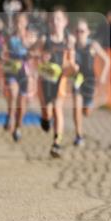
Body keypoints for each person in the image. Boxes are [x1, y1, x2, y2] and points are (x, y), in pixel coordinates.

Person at [34, 8, 74, 158]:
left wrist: (73, 68)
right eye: (53, 20)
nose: (55, 22)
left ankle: (57, 143)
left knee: (58, 109)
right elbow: (32, 53)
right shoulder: (45, 39)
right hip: (45, 79)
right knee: (48, 111)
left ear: (65, 22)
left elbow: (72, 62)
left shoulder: (69, 41)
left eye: (58, 19)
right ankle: (45, 119)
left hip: (60, 79)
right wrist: (40, 58)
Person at [71, 18, 110, 146]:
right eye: (77, 31)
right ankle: (79, 135)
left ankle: (89, 105)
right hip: (77, 79)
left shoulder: (92, 45)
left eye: (82, 31)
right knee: (76, 107)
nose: (79, 34)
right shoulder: (72, 46)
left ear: (88, 32)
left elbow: (107, 60)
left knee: (86, 112)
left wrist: (103, 76)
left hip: (89, 81)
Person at [2, 13, 34, 141]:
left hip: (25, 71)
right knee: (13, 93)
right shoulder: (10, 37)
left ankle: (18, 126)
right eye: (17, 21)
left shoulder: (30, 36)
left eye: (21, 22)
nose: (19, 24)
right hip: (12, 69)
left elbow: (33, 53)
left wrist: (25, 42)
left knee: (22, 101)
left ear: (26, 23)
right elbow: (5, 52)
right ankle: (10, 115)